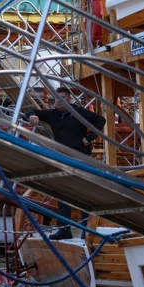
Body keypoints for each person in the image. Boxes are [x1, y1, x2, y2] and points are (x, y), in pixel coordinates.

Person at [29, 86, 106, 240]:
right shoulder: (53, 115)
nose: (58, 101)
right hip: (62, 157)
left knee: (83, 194)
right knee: (62, 193)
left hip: (81, 156)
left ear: (69, 99)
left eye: (62, 98)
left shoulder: (79, 112)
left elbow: (100, 120)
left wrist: (88, 139)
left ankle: (86, 230)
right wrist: (32, 116)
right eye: (56, 98)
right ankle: (64, 230)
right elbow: (31, 111)